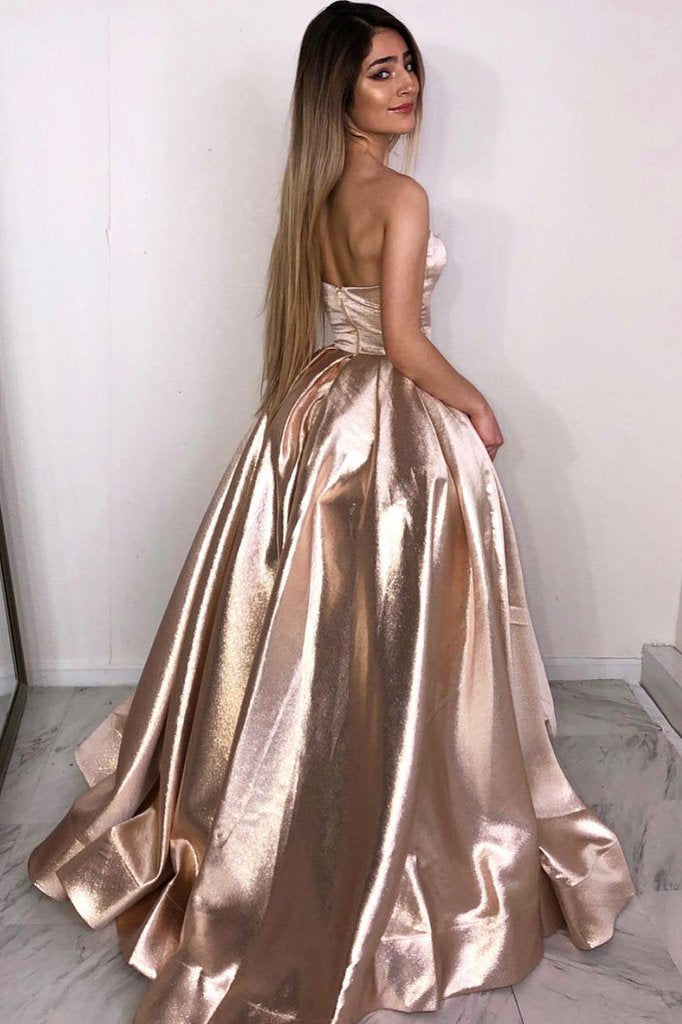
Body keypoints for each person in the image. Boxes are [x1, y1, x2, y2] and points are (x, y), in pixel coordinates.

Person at [27, 3, 636, 1022]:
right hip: (384, 428)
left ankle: (288, 779)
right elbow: (403, 341)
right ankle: (388, 793)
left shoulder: (313, 193)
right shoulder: (401, 195)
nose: (406, 86)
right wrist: (478, 405)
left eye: (408, 66)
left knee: (312, 617)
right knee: (387, 621)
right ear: (338, 92)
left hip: (314, 412)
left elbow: (354, 325)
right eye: (380, 72)